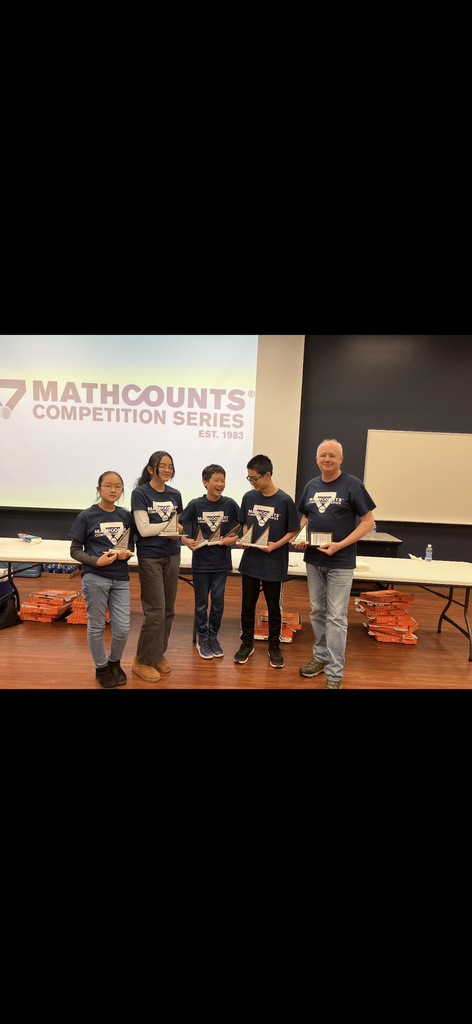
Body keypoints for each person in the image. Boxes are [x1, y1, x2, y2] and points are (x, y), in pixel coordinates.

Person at [296, 439, 376, 689]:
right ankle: (320, 658)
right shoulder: (311, 485)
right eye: (322, 455)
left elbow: (368, 522)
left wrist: (340, 545)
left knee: (336, 618)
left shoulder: (353, 485)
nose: (327, 459)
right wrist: (302, 537)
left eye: (332, 455)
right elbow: (306, 516)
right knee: (317, 612)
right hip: (313, 560)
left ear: (341, 459)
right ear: (317, 459)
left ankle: (334, 673)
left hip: (341, 561)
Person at [69, 471, 134, 689]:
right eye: (108, 486)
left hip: (121, 578)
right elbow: (75, 550)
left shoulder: (126, 516)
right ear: (99, 490)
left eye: (118, 486)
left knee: (123, 627)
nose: (113, 490)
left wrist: (125, 553)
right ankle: (101, 667)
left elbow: (127, 544)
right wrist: (96, 562)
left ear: (122, 490)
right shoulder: (86, 516)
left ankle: (114, 662)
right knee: (96, 625)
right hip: (95, 577)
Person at [234, 455, 300, 669]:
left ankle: (274, 647)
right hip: (251, 561)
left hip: (274, 562)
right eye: (249, 478)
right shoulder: (249, 497)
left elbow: (293, 531)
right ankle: (246, 644)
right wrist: (245, 539)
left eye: (255, 479)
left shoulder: (284, 500)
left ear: (268, 475)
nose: (252, 483)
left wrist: (275, 545)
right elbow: (244, 524)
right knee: (247, 606)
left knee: (274, 608)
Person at [131, 451, 183, 683]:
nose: (167, 470)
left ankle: (156, 654)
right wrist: (169, 527)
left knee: (168, 610)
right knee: (155, 611)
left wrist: (174, 530)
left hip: (172, 555)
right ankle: (141, 660)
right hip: (150, 557)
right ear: (151, 469)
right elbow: (143, 530)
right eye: (163, 466)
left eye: (170, 466)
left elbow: (174, 526)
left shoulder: (175, 494)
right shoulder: (140, 493)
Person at [180, 464, 241, 659]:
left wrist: (234, 538)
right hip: (201, 563)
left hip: (221, 563)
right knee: (200, 604)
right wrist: (184, 539)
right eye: (216, 480)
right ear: (205, 482)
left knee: (218, 603)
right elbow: (179, 524)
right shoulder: (196, 504)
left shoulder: (230, 504)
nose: (220, 484)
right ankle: (202, 638)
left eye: (223, 480)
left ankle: (213, 637)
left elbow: (243, 526)